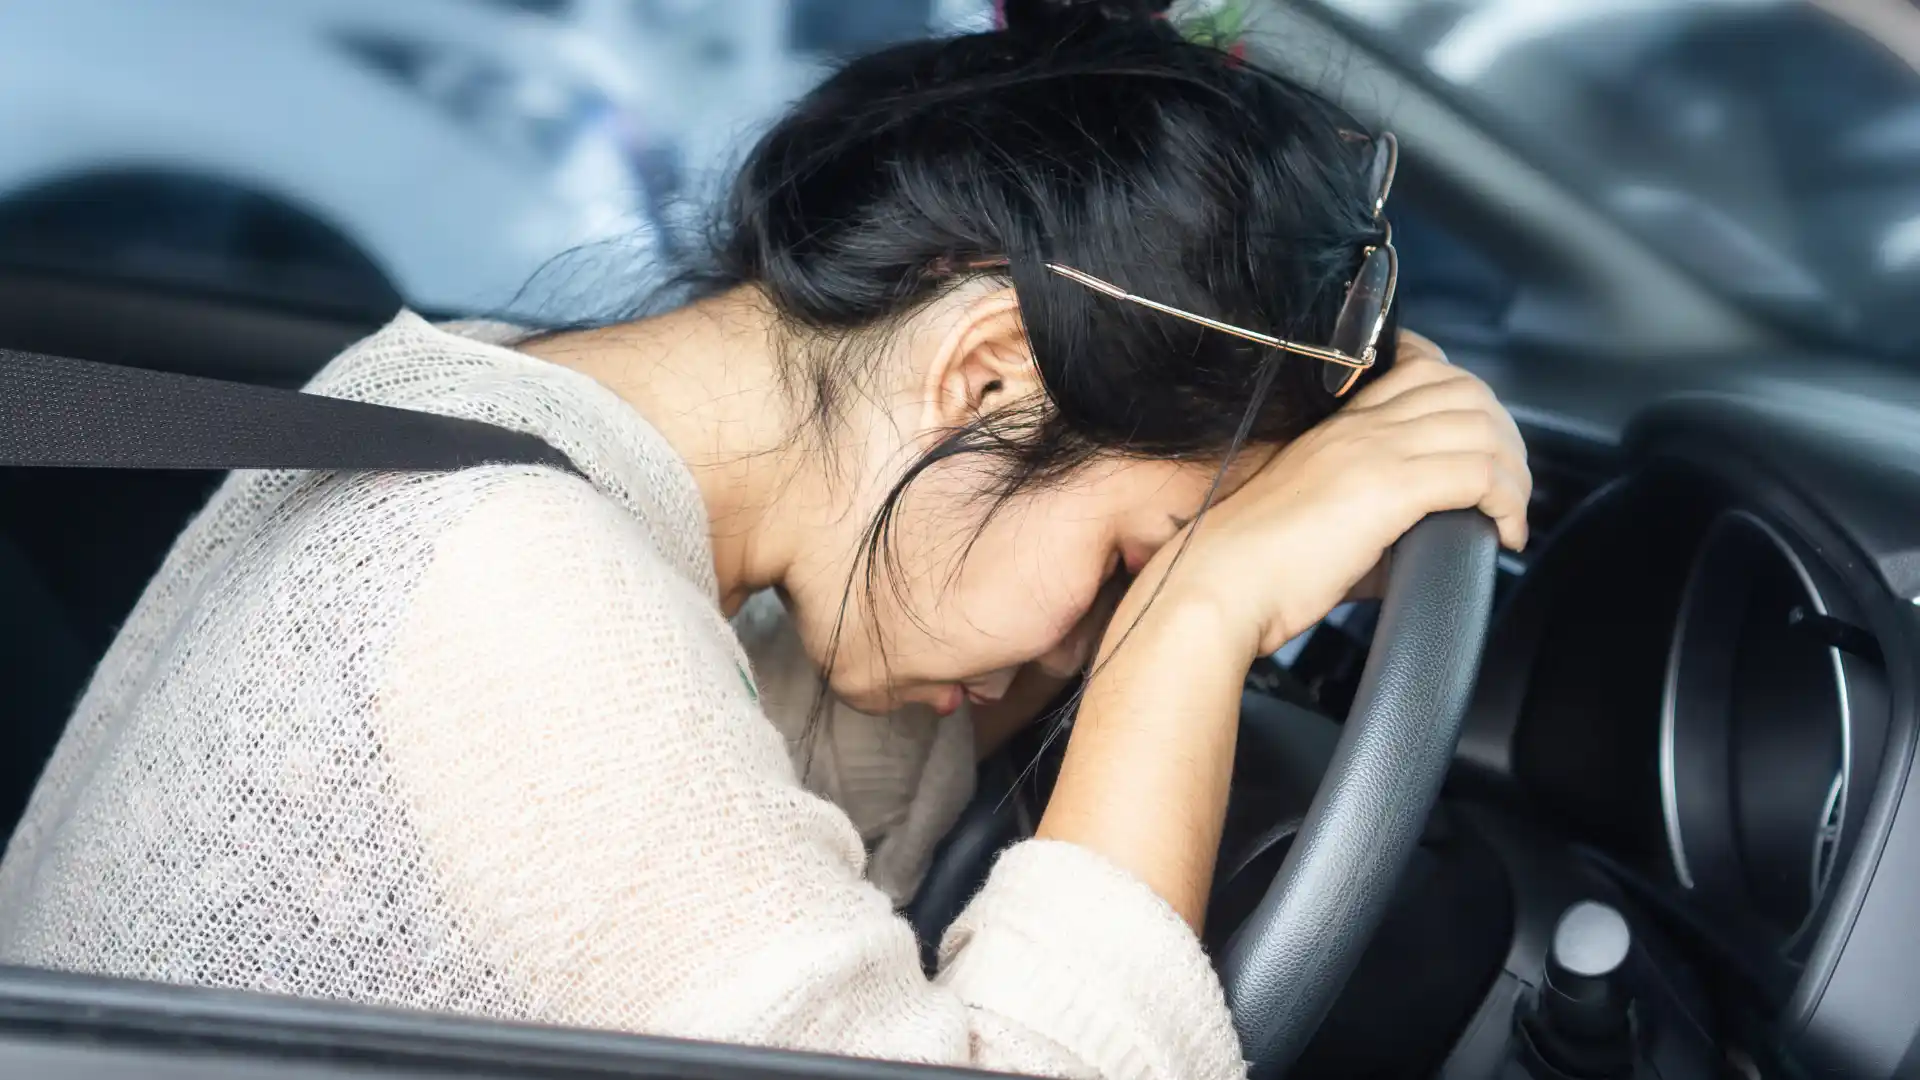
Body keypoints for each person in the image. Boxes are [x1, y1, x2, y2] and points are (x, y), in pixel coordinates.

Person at [0, 2, 1531, 1078]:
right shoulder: (515, 595)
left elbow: (801, 817)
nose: (1084, 652)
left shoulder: (497, 408)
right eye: (1128, 563)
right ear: (985, 369)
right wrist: (1200, 619)